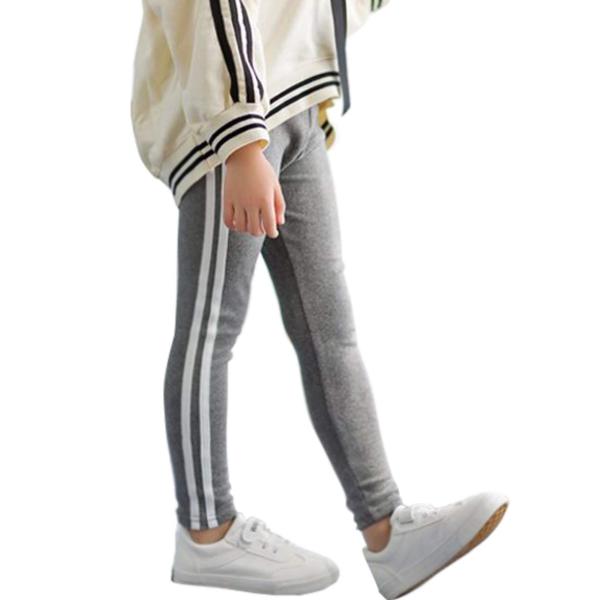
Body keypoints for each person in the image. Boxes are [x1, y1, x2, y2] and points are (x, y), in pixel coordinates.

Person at [130, 1, 509, 597]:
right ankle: (206, 530)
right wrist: (240, 139)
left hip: (295, 99)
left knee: (331, 330)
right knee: (211, 327)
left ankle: (386, 529)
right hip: (230, 121)